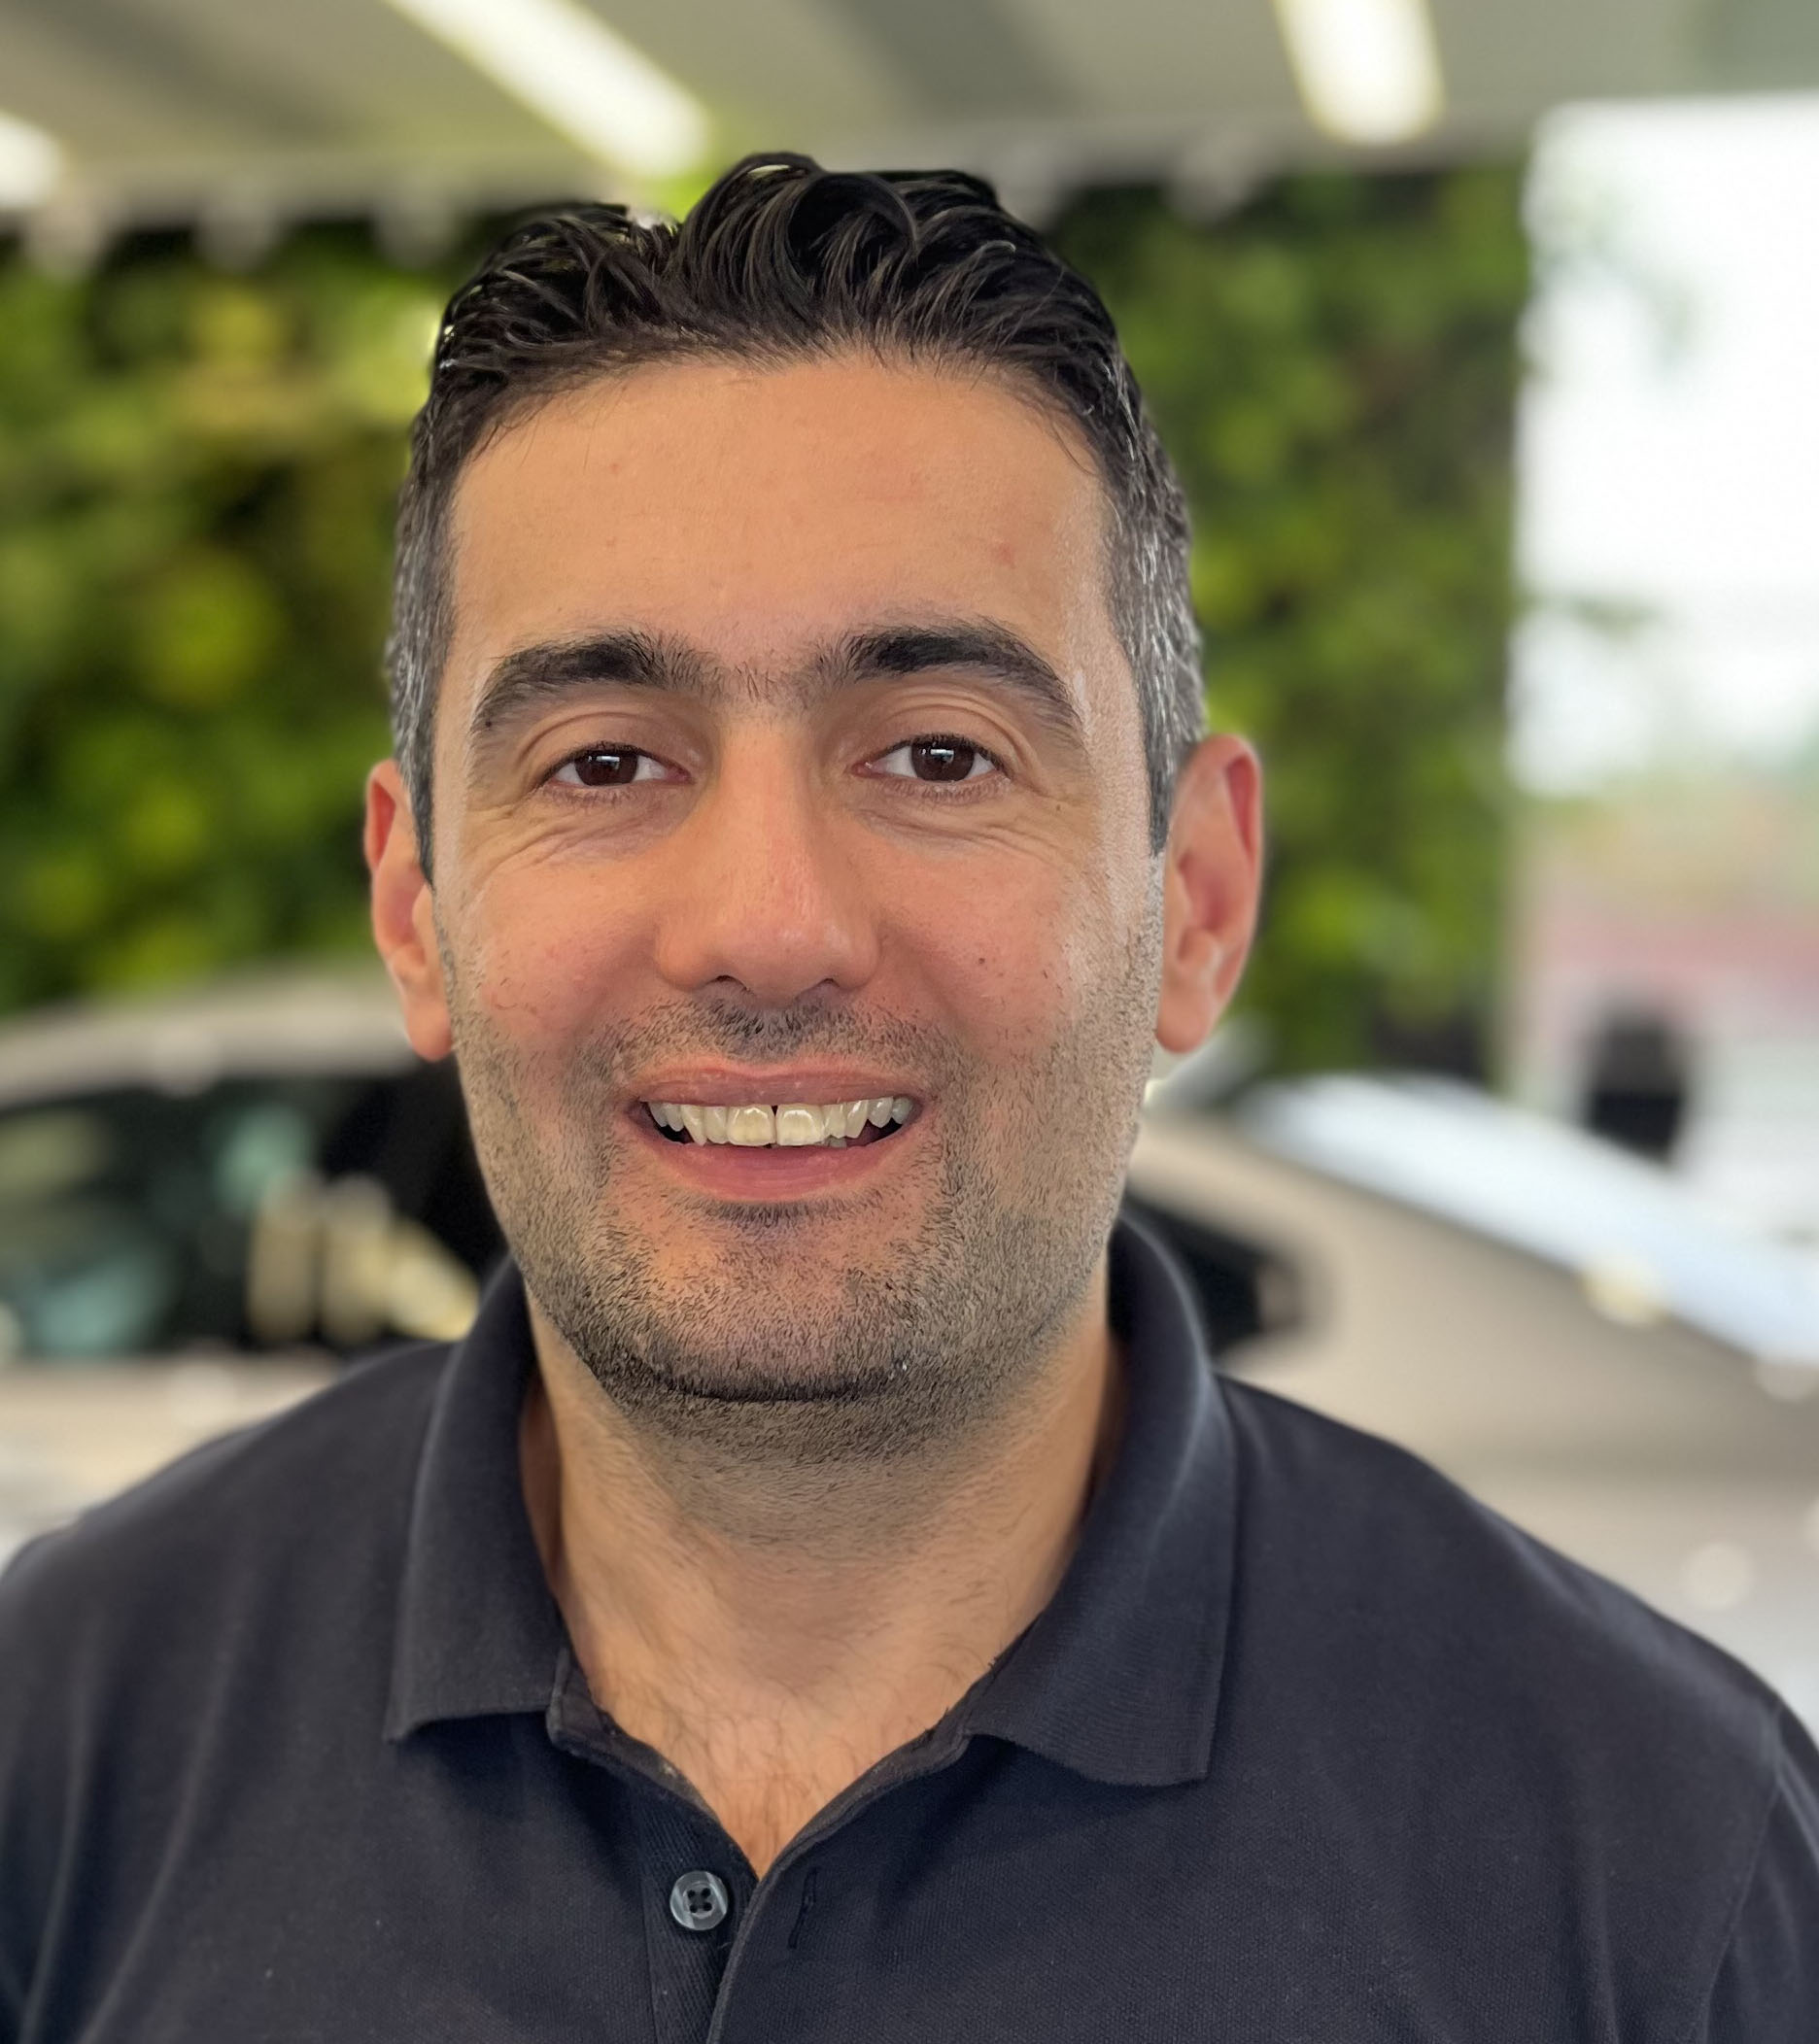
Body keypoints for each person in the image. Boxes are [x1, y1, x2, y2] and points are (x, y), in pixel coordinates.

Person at [1, 153, 1814, 2042]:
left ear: (1196, 901)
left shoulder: (1660, 1864)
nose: (769, 927)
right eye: (605, 762)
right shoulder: (67, 1730)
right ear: (416, 910)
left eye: (940, 754)